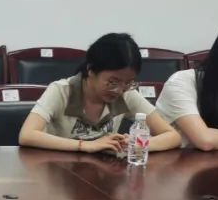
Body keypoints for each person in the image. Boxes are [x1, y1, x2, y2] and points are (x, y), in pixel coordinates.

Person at [18, 33, 180, 153]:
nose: (119, 90)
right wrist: (85, 145)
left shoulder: (127, 94)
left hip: (104, 176)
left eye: (128, 82)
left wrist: (136, 143)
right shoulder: (61, 91)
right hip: (61, 174)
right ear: (91, 70)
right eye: (112, 82)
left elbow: (172, 136)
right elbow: (27, 135)